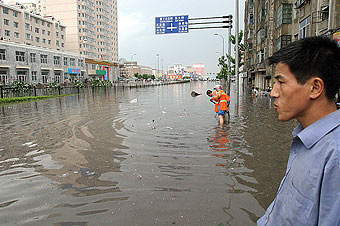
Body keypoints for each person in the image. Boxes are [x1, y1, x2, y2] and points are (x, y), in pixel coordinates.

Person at [258, 36, 340, 226]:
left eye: (281, 82)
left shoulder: (334, 156)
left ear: (315, 88)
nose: (273, 92)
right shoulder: (304, 138)